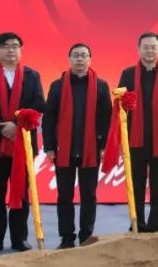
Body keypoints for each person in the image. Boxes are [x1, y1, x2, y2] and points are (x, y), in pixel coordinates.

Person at [0, 32, 45, 256]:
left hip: (23, 144)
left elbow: (38, 104)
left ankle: (19, 238)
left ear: (20, 51)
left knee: (21, 192)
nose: (10, 50)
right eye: (5, 46)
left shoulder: (32, 76)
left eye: (14, 46)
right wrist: (0, 127)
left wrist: (16, 124)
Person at [43, 43, 111, 249]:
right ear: (69, 59)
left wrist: (103, 144)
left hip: (91, 149)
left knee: (89, 195)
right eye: (76, 55)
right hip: (63, 149)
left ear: (90, 59)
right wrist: (49, 146)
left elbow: (106, 117)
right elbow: (49, 118)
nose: (80, 59)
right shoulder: (57, 86)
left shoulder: (101, 86)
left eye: (83, 55)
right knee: (65, 196)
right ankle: (67, 237)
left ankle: (86, 236)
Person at [117, 32, 158, 232]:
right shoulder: (127, 74)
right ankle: (137, 223)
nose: (149, 51)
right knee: (136, 185)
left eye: (153, 47)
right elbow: (119, 107)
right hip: (135, 139)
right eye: (145, 47)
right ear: (138, 50)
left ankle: (156, 224)